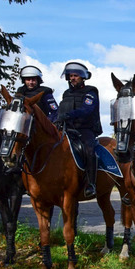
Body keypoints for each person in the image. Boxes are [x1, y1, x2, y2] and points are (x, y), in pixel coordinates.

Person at [56, 61, 102, 199]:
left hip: (85, 130)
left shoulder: (90, 92)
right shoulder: (66, 93)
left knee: (89, 151)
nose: (72, 78)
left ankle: (90, 184)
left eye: (75, 75)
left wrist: (69, 115)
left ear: (82, 77)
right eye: (70, 76)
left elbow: (87, 110)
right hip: (67, 129)